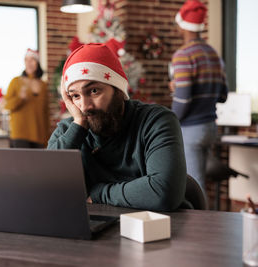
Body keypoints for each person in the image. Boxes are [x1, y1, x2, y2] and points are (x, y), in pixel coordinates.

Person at [48, 43, 189, 211]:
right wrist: (78, 125)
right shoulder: (70, 130)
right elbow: (45, 187)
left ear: (119, 90)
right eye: (75, 96)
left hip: (158, 227)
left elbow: (164, 192)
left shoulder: (156, 121)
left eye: (94, 91)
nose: (85, 106)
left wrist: (99, 193)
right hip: (95, 230)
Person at [169, 0, 228, 191]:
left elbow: (184, 100)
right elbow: (223, 95)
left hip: (191, 129)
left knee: (195, 185)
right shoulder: (213, 54)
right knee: (200, 182)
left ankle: (198, 222)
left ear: (182, 25)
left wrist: (170, 121)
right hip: (210, 127)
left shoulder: (183, 55)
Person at [4, 49, 50, 148]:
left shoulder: (43, 85)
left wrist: (47, 138)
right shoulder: (16, 81)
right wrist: (20, 98)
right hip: (20, 134)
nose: (29, 63)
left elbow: (46, 113)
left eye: (32, 60)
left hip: (39, 135)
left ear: (37, 62)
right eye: (26, 60)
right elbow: (7, 105)